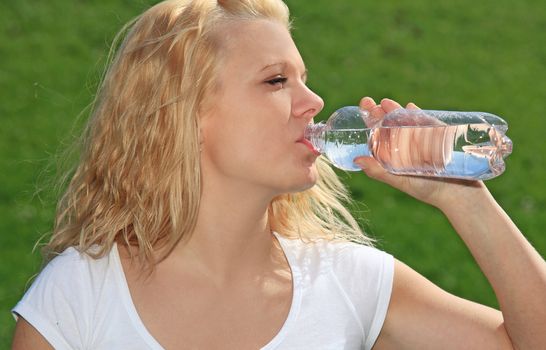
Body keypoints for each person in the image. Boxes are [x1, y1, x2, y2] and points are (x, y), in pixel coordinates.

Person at [11, 0, 546, 349]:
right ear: (184, 114)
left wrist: (463, 198)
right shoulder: (80, 296)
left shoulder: (348, 281)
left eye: (304, 79)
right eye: (275, 81)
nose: (312, 102)